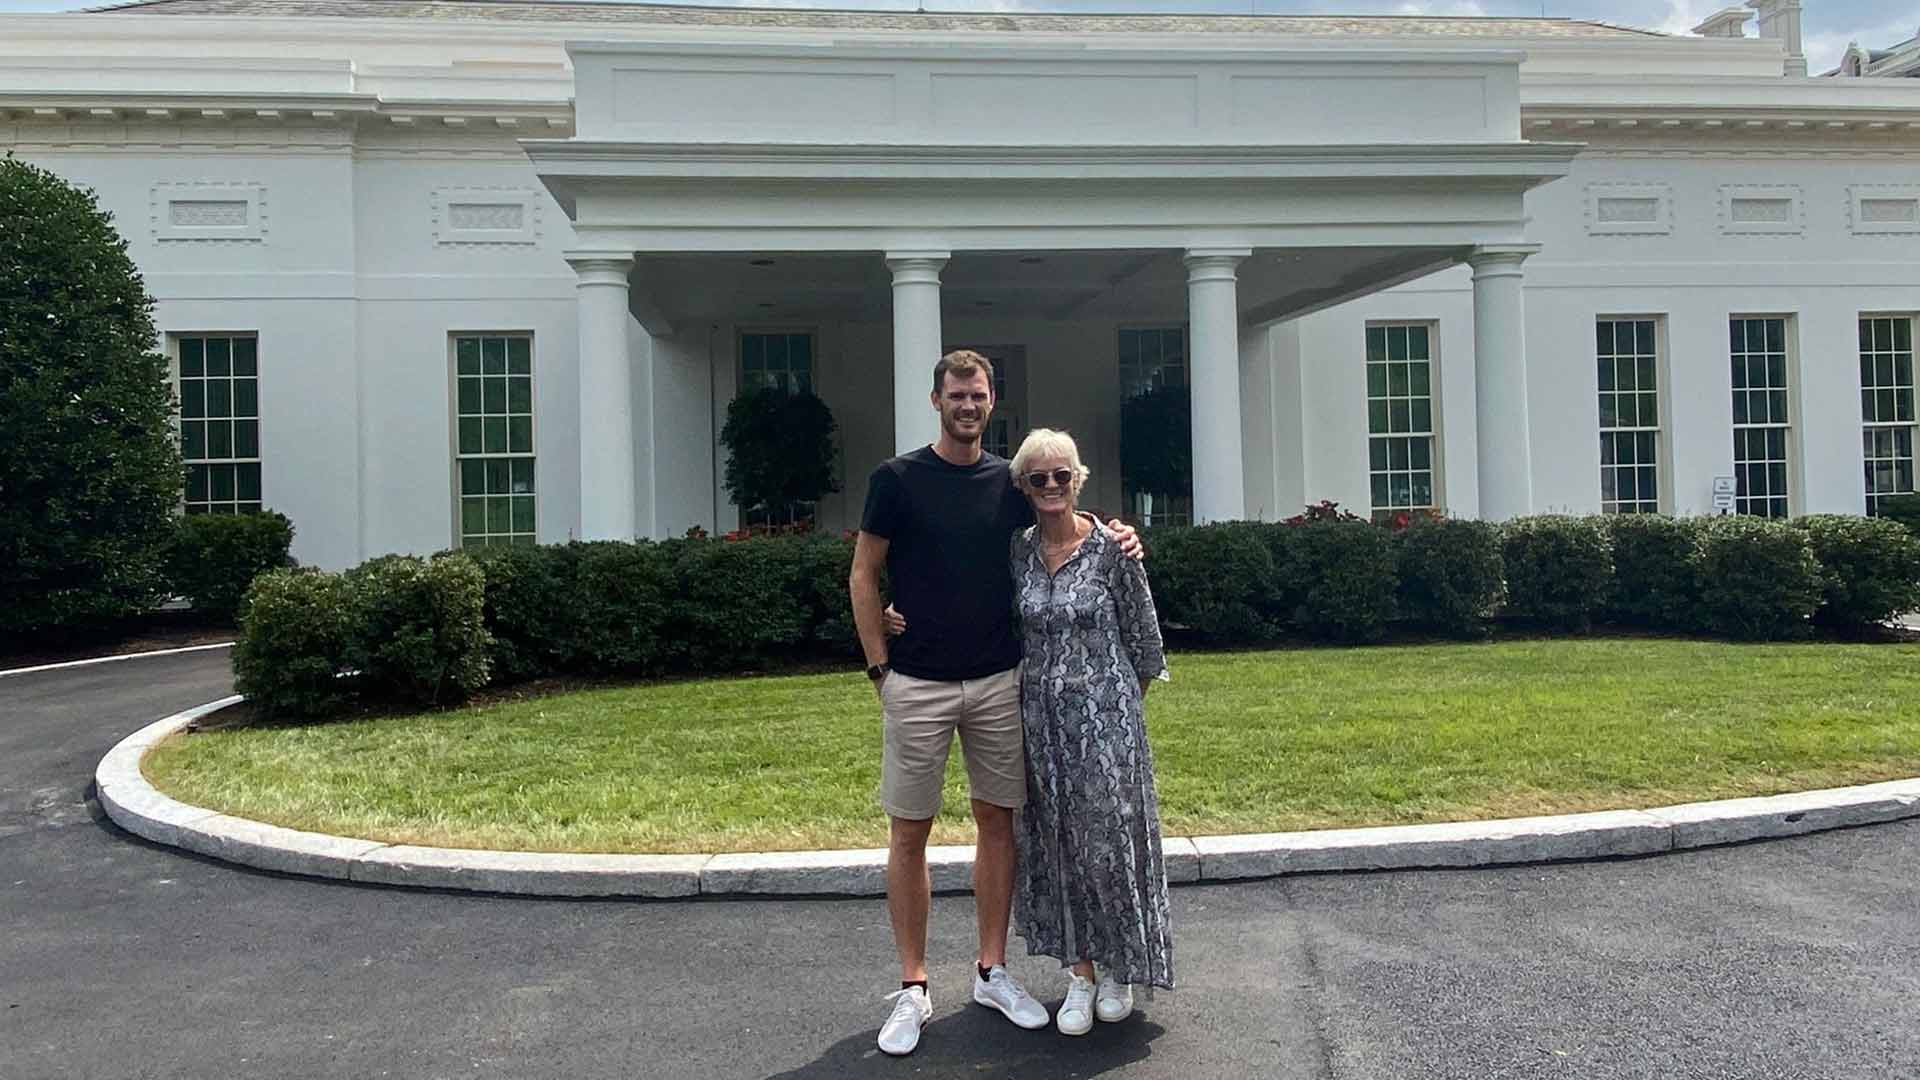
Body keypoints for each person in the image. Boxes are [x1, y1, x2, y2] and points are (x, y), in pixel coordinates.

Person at [848, 350, 1140, 1057]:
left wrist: (1119, 533)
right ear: (936, 399)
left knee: (997, 824)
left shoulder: (1009, 480)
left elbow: (1060, 514)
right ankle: (914, 987)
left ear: (990, 398)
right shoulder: (897, 479)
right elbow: (863, 570)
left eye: (977, 394)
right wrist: (879, 667)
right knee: (909, 832)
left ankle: (990, 970)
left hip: (996, 681)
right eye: (956, 394)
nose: (968, 404)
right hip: (916, 681)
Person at [1007, 427, 1173, 1036]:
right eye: (1037, 478)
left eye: (1060, 476)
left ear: (1077, 481)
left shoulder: (1113, 551)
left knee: (1108, 847)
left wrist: (1116, 709)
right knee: (1057, 849)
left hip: (1108, 731)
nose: (1050, 486)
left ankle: (1120, 967)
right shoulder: (1019, 553)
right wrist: (897, 616)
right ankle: (1079, 973)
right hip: (1040, 729)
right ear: (1023, 487)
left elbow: (1145, 642)